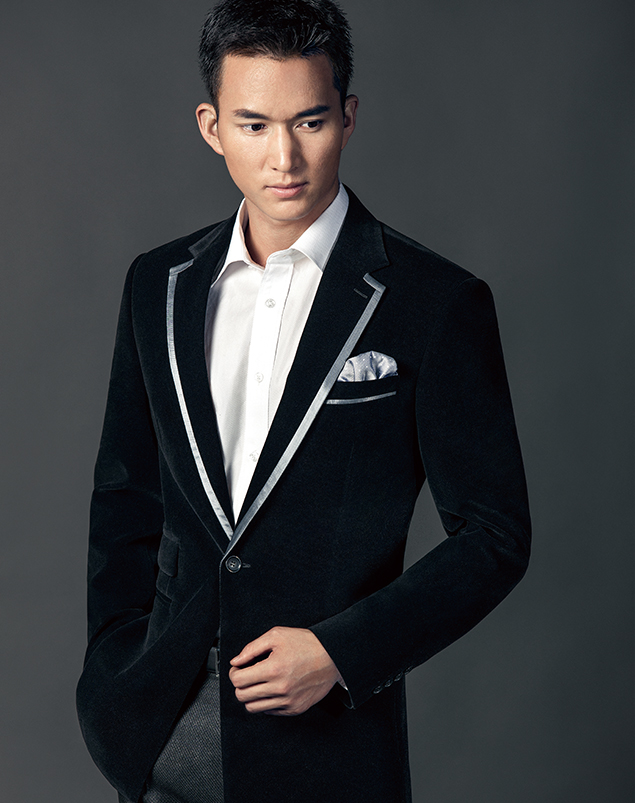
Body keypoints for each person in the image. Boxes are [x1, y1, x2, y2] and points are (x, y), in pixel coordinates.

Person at [76, 1, 531, 801]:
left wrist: (340, 652)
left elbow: (494, 536)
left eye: (309, 122)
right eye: (253, 125)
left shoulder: (433, 302)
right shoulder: (158, 284)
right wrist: (116, 669)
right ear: (212, 127)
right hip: (156, 734)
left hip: (328, 751)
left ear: (347, 118)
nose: (283, 157)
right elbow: (126, 496)